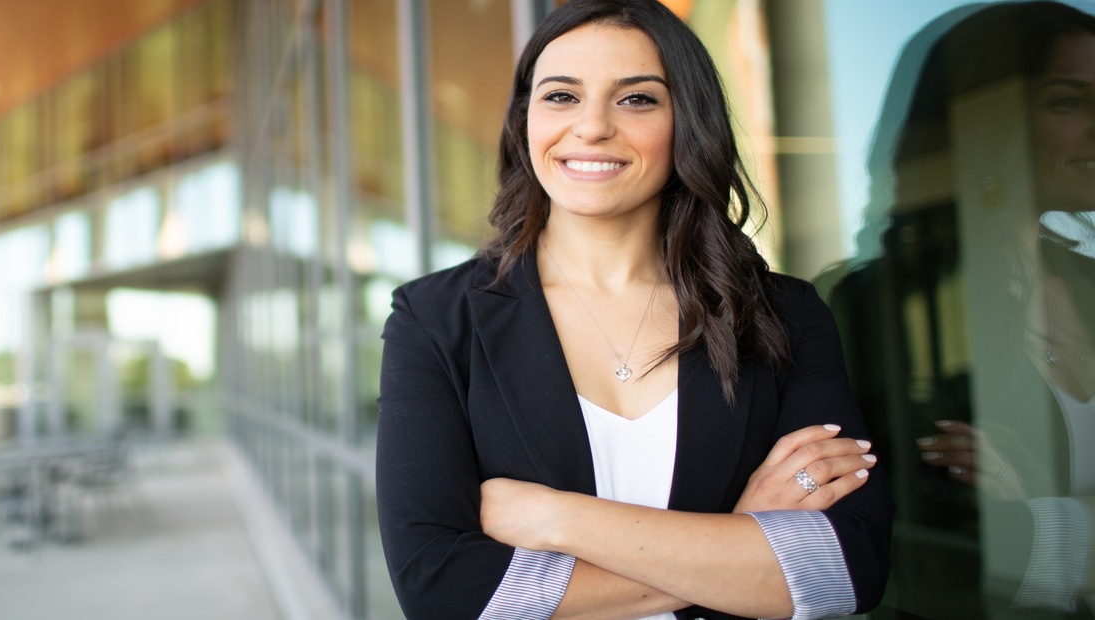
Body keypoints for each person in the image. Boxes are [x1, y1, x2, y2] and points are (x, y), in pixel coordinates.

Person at [375, 1, 893, 619]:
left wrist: (557, 519)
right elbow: (443, 593)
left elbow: (846, 570)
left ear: (687, 121)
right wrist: (740, 538)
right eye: (561, 96)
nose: (591, 127)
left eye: (637, 99)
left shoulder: (783, 313)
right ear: (525, 121)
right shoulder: (434, 319)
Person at [826, 2, 1095, 615]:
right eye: (1067, 102)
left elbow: (1019, 532)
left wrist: (1046, 513)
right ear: (982, 117)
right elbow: (939, 549)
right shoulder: (886, 307)